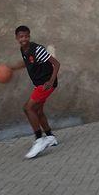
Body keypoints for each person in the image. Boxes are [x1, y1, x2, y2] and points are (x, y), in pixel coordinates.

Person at [10, 26, 60, 159]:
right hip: (39, 84)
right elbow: (26, 63)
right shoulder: (23, 50)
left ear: (29, 36)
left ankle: (39, 139)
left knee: (28, 108)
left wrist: (50, 81)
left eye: (26, 36)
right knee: (37, 111)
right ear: (17, 38)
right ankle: (50, 137)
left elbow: (56, 63)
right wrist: (12, 68)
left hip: (46, 84)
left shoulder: (37, 49)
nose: (24, 39)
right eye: (21, 37)